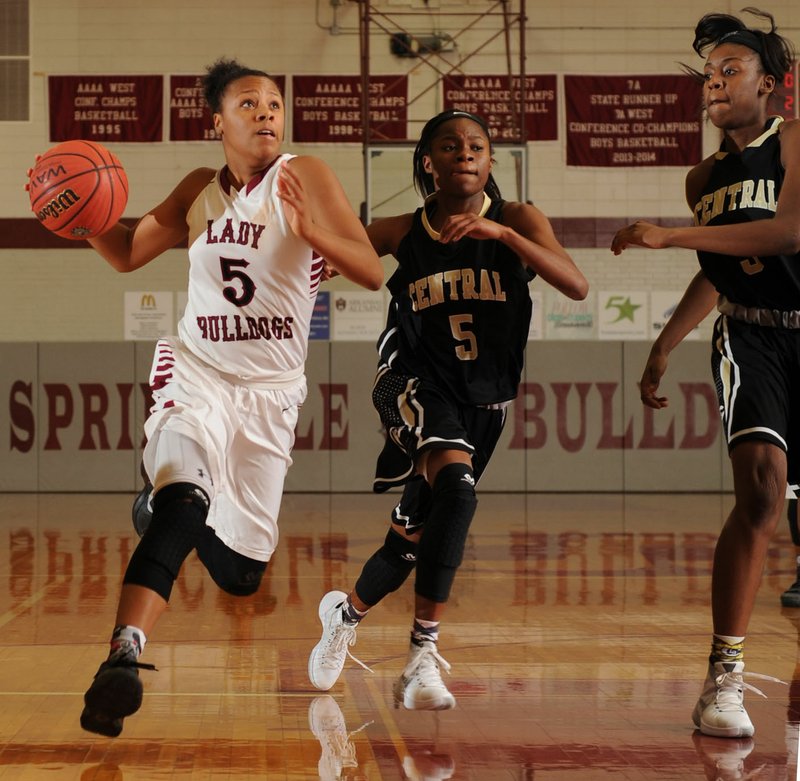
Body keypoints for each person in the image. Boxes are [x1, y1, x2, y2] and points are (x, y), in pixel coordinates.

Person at [74, 57, 382, 737]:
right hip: (198, 374)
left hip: (269, 396)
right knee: (188, 499)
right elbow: (126, 251)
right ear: (216, 122)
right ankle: (123, 654)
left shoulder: (307, 177)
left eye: (273, 102)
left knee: (243, 576)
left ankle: (157, 504)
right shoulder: (197, 190)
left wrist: (312, 234)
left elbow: (367, 270)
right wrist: (81, 217)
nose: (266, 113)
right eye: (248, 104)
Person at [307, 109, 588, 709]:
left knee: (412, 538)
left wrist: (507, 239)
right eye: (450, 145)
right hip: (411, 379)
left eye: (478, 145)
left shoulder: (517, 218)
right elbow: (326, 259)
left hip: (485, 403)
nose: (465, 152)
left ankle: (345, 614)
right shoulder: (402, 231)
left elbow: (576, 284)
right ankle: (421, 656)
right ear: (428, 162)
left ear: (490, 163)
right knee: (458, 494)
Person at [611, 8, 798, 738]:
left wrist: (665, 233)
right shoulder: (703, 177)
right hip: (750, 335)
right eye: (710, 73)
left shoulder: (795, 141)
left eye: (732, 70)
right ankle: (725, 675)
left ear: (772, 86)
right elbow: (717, 271)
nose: (716, 82)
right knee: (760, 492)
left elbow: (787, 233)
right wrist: (666, 340)